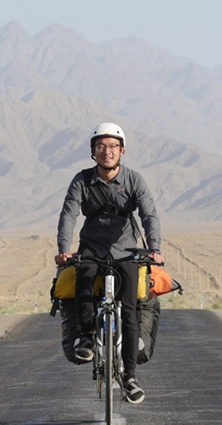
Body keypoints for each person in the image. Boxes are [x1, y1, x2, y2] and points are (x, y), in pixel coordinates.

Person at [55, 122, 164, 405]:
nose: (107, 152)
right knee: (83, 276)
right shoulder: (82, 180)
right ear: (93, 152)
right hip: (92, 248)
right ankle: (88, 338)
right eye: (101, 147)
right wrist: (63, 250)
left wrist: (155, 249)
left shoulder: (134, 180)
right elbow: (69, 214)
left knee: (129, 310)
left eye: (113, 146)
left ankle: (130, 376)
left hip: (127, 252)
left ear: (122, 150)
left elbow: (149, 215)